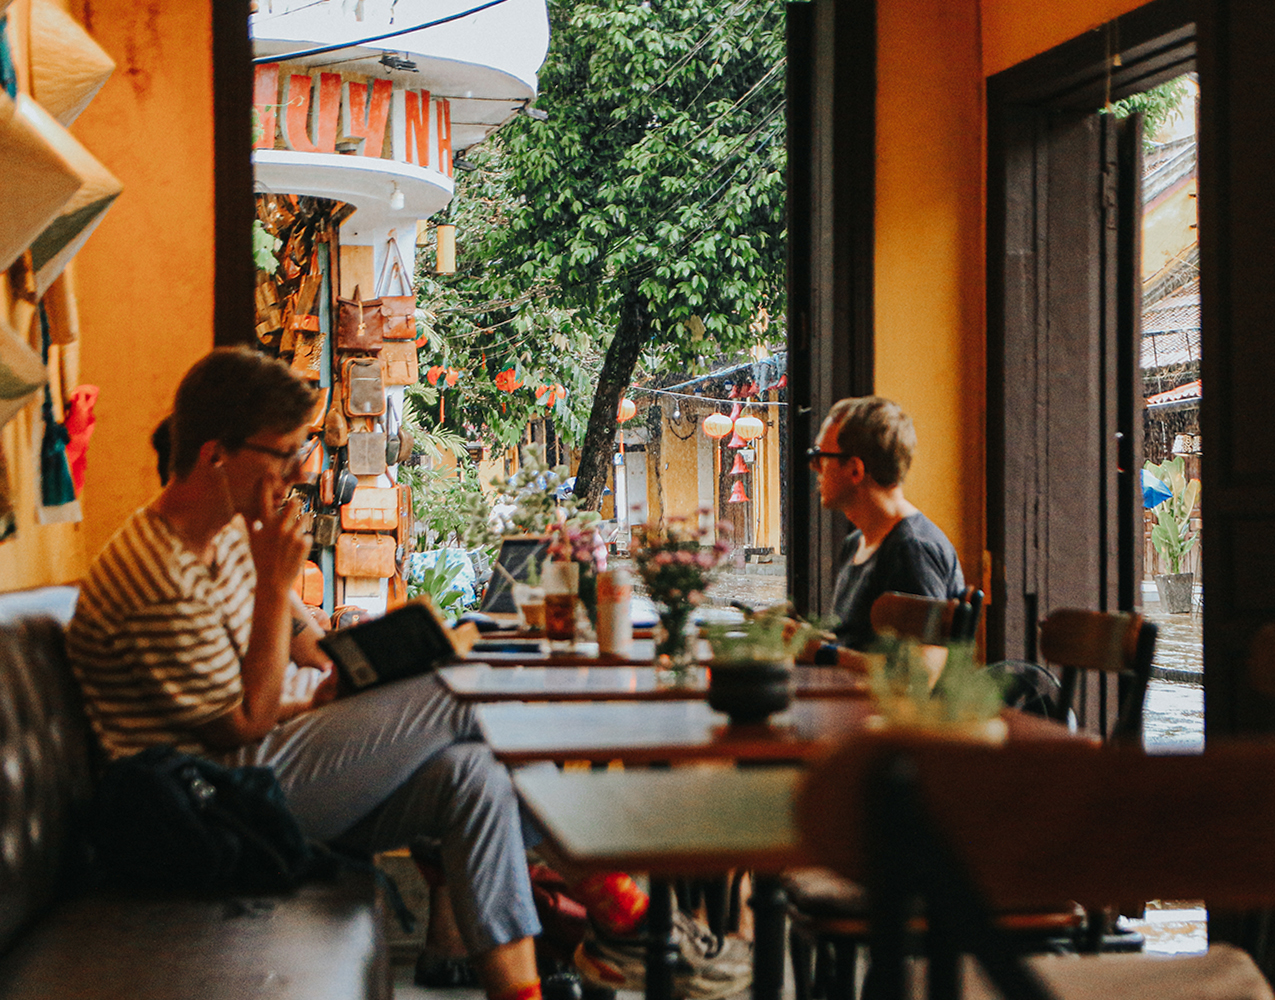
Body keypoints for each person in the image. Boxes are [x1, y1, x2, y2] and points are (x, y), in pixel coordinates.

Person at [66, 349, 737, 1000]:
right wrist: (277, 591)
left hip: (265, 765)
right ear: (215, 455)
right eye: (286, 453)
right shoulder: (153, 571)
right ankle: (616, 906)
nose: (301, 473)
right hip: (215, 805)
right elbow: (238, 727)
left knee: (474, 779)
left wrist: (352, 677)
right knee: (459, 690)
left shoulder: (230, 536)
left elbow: (307, 653)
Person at [802, 396, 966, 672]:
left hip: (896, 716)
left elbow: (919, 677)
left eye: (820, 457)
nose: (814, 467)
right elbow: (855, 645)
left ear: (855, 469)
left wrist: (822, 653)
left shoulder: (912, 549)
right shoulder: (856, 543)